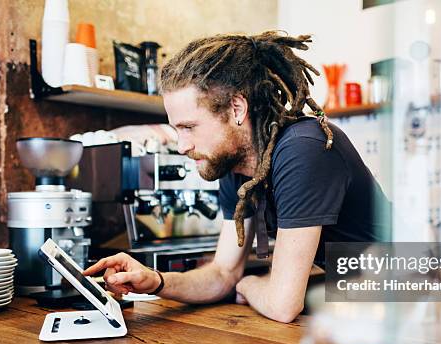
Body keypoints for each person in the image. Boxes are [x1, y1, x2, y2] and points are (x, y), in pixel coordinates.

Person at [84, 31, 391, 323]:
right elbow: (222, 273)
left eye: (188, 127)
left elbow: (282, 304)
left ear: (237, 109)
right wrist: (157, 281)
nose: (181, 146)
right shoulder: (236, 166)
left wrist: (247, 285)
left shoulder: (304, 148)